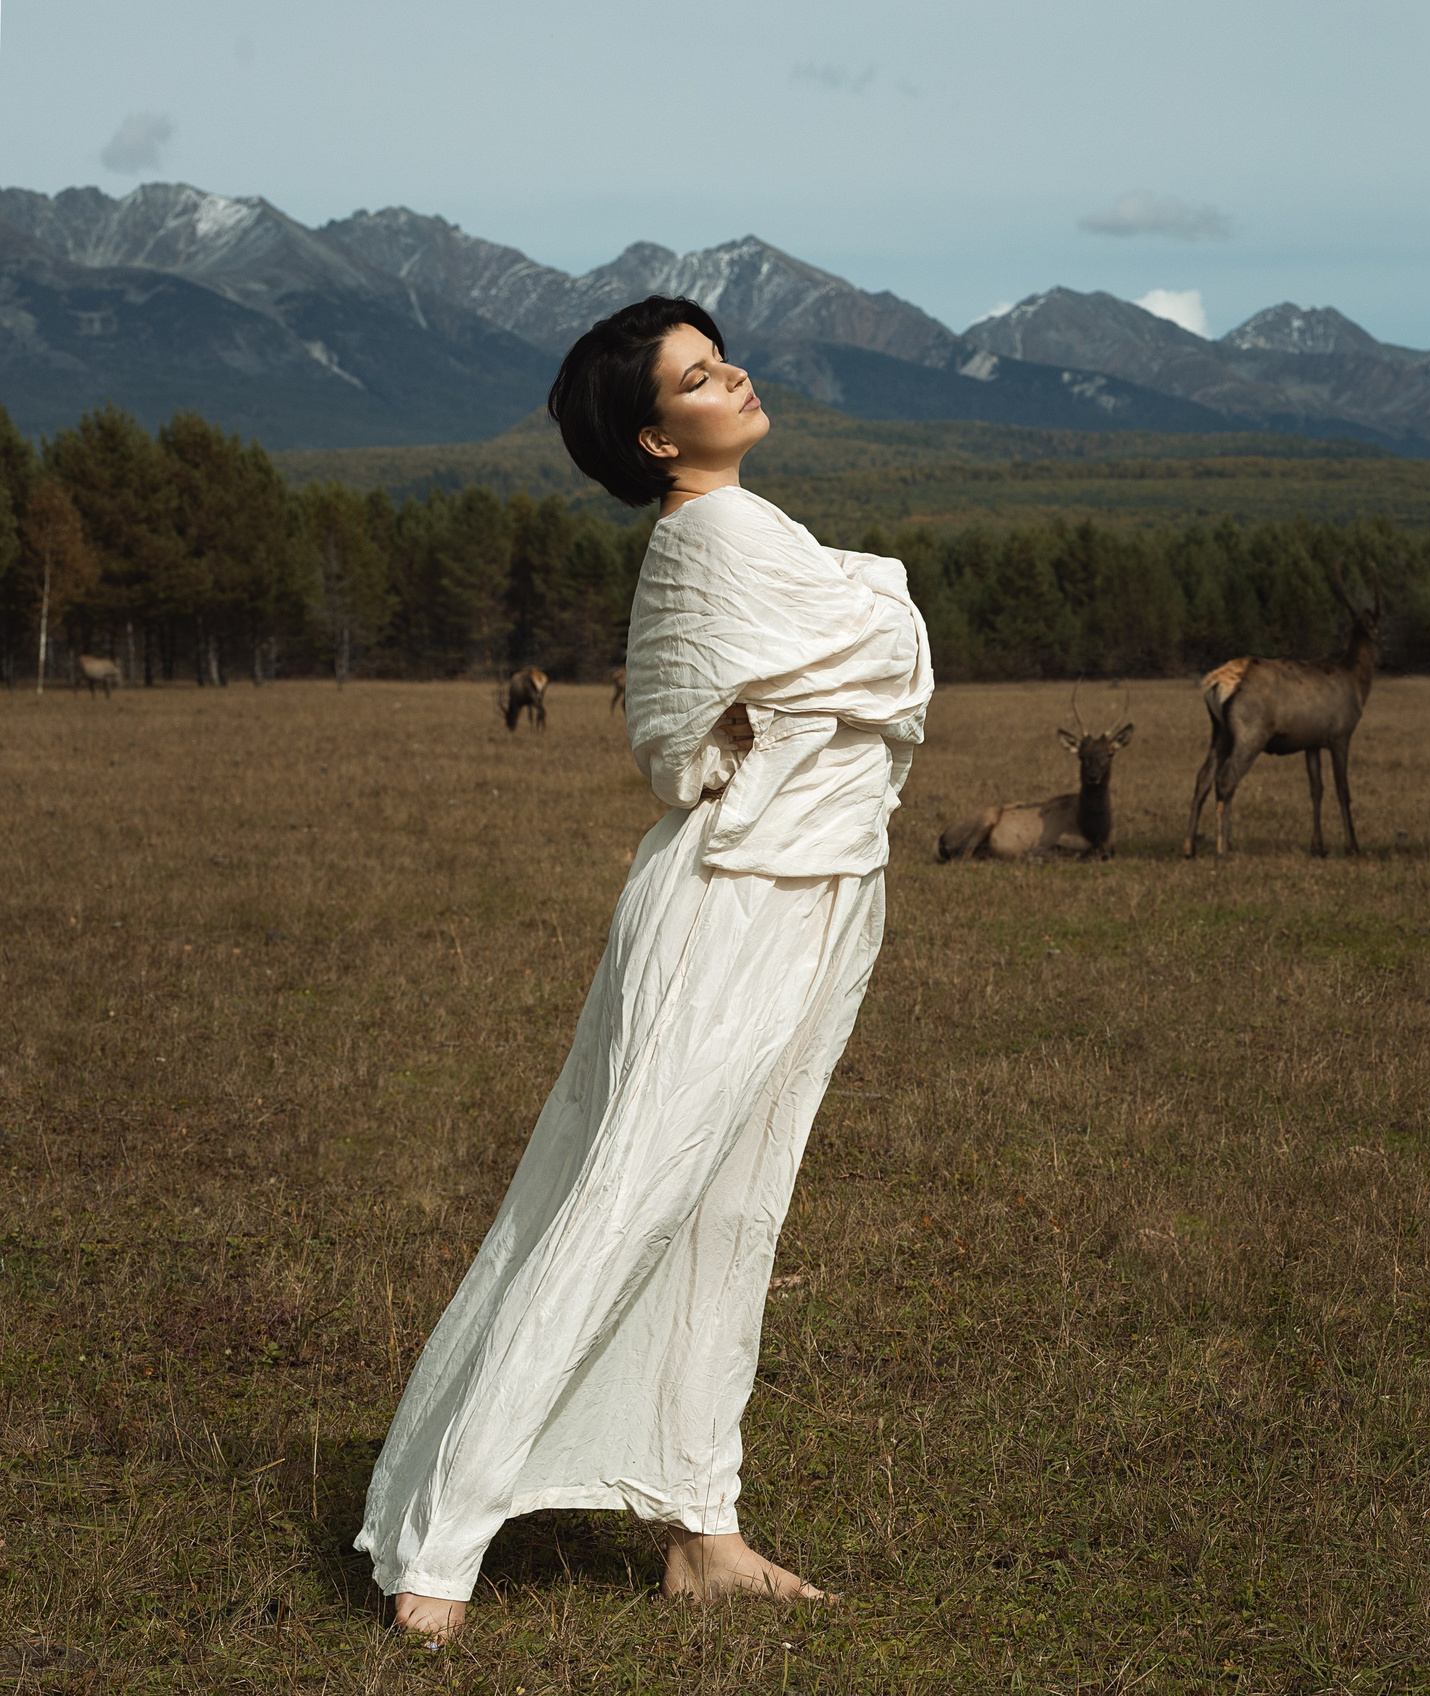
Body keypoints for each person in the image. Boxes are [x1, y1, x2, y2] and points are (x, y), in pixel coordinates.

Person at [356, 296, 933, 1643]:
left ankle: (699, 1524)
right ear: (654, 438)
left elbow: (848, 665)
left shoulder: (739, 525)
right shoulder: (719, 533)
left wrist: (859, 626)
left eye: (718, 354)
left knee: (733, 1211)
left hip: (815, 890)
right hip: (735, 900)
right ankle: (438, 1546)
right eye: (695, 374)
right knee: (627, 1200)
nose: (729, 373)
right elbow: (887, 644)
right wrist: (873, 606)